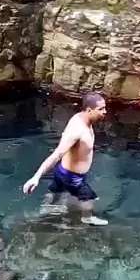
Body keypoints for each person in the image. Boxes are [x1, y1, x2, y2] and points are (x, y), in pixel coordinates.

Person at [22, 92, 108, 226]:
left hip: (62, 172)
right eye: (101, 109)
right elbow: (57, 154)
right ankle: (87, 218)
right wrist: (36, 177)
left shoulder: (79, 117)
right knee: (91, 198)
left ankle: (40, 214)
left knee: (56, 196)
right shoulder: (78, 131)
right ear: (89, 110)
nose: (105, 112)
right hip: (73, 178)